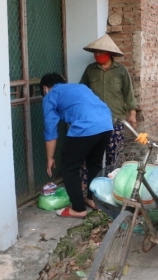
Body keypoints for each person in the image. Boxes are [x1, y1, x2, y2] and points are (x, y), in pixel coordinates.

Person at [40, 73, 113, 218]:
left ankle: (78, 209)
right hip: (106, 124)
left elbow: (50, 130)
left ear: (45, 88)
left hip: (86, 127)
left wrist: (50, 158)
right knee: (94, 164)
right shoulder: (80, 87)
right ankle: (93, 200)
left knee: (69, 168)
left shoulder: (51, 95)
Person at [80, 34, 138, 170]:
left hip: (115, 120)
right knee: (93, 155)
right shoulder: (90, 70)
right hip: (94, 120)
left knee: (114, 155)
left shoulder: (121, 70)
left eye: (101, 51)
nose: (98, 54)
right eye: (96, 52)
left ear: (109, 53)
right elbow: (82, 92)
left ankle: (113, 182)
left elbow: (129, 93)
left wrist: (132, 114)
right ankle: (92, 185)